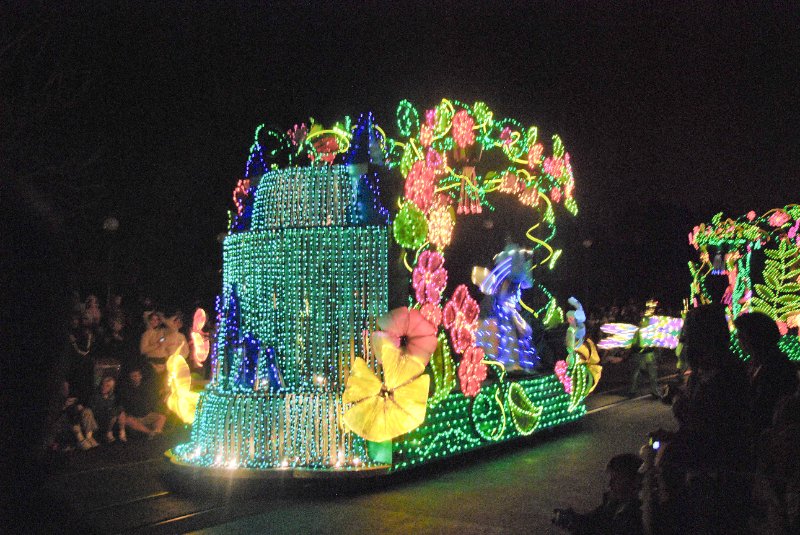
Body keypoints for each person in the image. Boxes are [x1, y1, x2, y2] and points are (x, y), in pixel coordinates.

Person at [656, 304, 751, 533]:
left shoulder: (728, 374)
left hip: (715, 475)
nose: (686, 342)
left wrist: (679, 403)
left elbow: (711, 424)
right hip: (698, 467)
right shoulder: (704, 371)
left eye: (691, 335)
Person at [733, 312, 798, 451]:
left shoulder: (778, 367)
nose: (739, 340)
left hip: (769, 440)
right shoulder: (752, 364)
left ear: (756, 337)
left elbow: (765, 405)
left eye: (742, 335)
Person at [553, 453, 644, 535]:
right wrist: (573, 519)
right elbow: (593, 521)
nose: (610, 484)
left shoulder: (637, 516)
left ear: (633, 481)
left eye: (616, 479)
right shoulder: (613, 504)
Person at [44, 381, 99, 451]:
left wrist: (79, 407)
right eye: (64, 388)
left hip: (73, 418)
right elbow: (54, 414)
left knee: (87, 411)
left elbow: (79, 406)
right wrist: (64, 407)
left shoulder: (71, 397)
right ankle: (81, 441)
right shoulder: (55, 399)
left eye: (67, 388)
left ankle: (89, 438)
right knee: (71, 416)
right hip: (63, 421)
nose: (66, 390)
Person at [118, 367, 166, 439]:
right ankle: (150, 433)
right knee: (127, 420)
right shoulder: (127, 390)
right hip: (135, 417)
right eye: (132, 376)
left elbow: (153, 400)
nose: (135, 378)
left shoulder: (145, 388)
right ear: (130, 377)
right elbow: (124, 405)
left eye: (136, 376)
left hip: (146, 415)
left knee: (162, 417)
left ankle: (156, 433)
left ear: (140, 376)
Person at [90, 375, 126, 443]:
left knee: (120, 411)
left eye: (107, 386)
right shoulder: (96, 395)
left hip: (111, 416)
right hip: (99, 417)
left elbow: (117, 407)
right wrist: (109, 409)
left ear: (111, 388)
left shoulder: (112, 396)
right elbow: (94, 410)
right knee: (114, 413)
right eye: (103, 385)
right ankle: (109, 432)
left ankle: (122, 431)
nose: (104, 387)